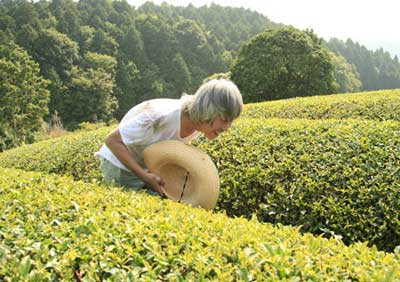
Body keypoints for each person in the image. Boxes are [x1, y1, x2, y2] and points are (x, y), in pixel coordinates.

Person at [95, 78, 243, 196]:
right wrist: (145, 176)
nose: (226, 128)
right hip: (120, 166)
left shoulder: (199, 125)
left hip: (147, 167)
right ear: (209, 109)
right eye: (224, 120)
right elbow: (112, 141)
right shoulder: (159, 116)